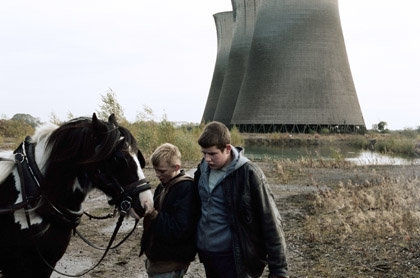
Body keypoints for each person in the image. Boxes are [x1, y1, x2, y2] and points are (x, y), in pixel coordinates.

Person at [194, 121, 288, 278]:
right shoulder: (202, 170)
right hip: (209, 255)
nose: (207, 159)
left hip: (236, 259)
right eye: (204, 153)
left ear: (227, 149)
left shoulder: (248, 173)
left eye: (212, 154)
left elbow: (271, 222)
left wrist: (279, 270)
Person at [140, 143, 198, 278]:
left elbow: (179, 229)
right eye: (155, 170)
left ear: (176, 167)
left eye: (162, 171)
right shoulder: (163, 186)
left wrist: (153, 215)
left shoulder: (186, 189)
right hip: (159, 260)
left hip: (171, 263)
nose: (157, 175)